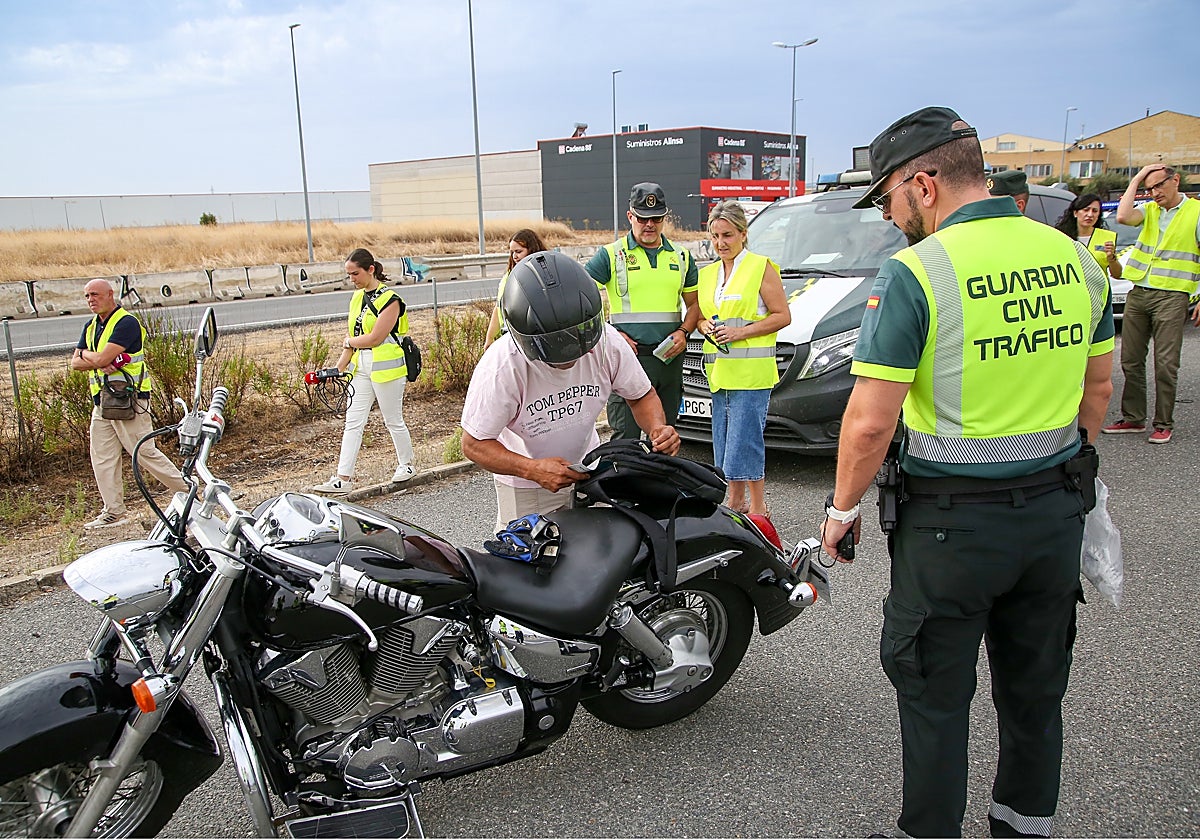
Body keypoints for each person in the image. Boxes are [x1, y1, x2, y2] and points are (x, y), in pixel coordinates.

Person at [824, 106, 1114, 838]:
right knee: (1035, 692)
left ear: (924, 185)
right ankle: (1023, 823)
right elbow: (1098, 390)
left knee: (933, 695)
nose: (889, 216)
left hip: (950, 529)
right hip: (1054, 517)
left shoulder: (917, 272)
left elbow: (870, 423)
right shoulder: (1077, 261)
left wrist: (841, 510)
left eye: (889, 197)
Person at [461, 251, 680, 531]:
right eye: (555, 348)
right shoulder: (503, 366)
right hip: (526, 486)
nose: (570, 355)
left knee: (599, 548)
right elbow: (474, 443)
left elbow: (640, 395)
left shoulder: (607, 342)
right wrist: (532, 469)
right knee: (530, 556)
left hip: (587, 471)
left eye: (578, 344)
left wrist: (657, 428)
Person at [696, 200, 791, 516]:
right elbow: (701, 317)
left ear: (743, 234)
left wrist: (740, 333)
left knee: (746, 440)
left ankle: (759, 506)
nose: (720, 243)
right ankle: (736, 501)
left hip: (751, 374)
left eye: (727, 235)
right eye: (715, 236)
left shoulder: (760, 267)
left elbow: (782, 315)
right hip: (719, 374)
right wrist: (704, 326)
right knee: (725, 443)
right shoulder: (708, 274)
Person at [70, 278, 189, 529]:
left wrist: (89, 356)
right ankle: (113, 511)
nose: (91, 300)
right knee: (102, 457)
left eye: (95, 294)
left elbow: (97, 358)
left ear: (110, 294)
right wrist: (95, 359)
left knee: (144, 452)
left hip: (129, 400)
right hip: (103, 402)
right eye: (87, 296)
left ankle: (190, 493)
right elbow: (75, 363)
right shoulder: (91, 326)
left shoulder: (126, 323)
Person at [585, 182, 700, 439]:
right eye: (642, 218)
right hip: (628, 360)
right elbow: (580, 300)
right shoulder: (611, 255)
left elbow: (694, 305)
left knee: (665, 438)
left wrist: (684, 332)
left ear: (664, 218)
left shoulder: (681, 256)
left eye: (656, 218)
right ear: (630, 216)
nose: (649, 224)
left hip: (668, 363)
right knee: (626, 441)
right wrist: (611, 334)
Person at [1103, 164, 1200, 444]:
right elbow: (1123, 216)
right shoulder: (1149, 211)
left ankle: (1163, 423)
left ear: (1176, 180)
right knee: (1130, 359)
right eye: (1149, 188)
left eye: (1158, 185)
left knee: (1166, 364)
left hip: (1172, 295)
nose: (1154, 193)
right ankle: (1134, 418)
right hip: (1139, 292)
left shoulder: (1195, 212)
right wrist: (1136, 178)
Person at [313, 248, 416, 494]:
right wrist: (337, 369)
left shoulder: (391, 300)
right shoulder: (357, 298)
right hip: (361, 367)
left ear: (370, 270)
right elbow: (353, 337)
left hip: (387, 368)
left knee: (393, 420)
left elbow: (375, 338)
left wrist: (349, 343)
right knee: (353, 422)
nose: (352, 279)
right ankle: (343, 478)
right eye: (348, 275)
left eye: (355, 274)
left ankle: (407, 465)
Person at [484, 228, 548, 348]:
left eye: (518, 251)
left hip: (535, 338)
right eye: (512, 252)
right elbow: (499, 307)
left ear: (532, 250)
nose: (514, 256)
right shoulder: (508, 276)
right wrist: (489, 338)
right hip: (510, 336)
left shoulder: (544, 274)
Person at [1055, 193, 1123, 279]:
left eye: (1095, 211)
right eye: (1086, 210)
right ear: (1075, 213)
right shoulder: (1061, 236)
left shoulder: (1107, 237)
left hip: (1098, 286)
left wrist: (1112, 259)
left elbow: (1117, 274)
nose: (1090, 215)